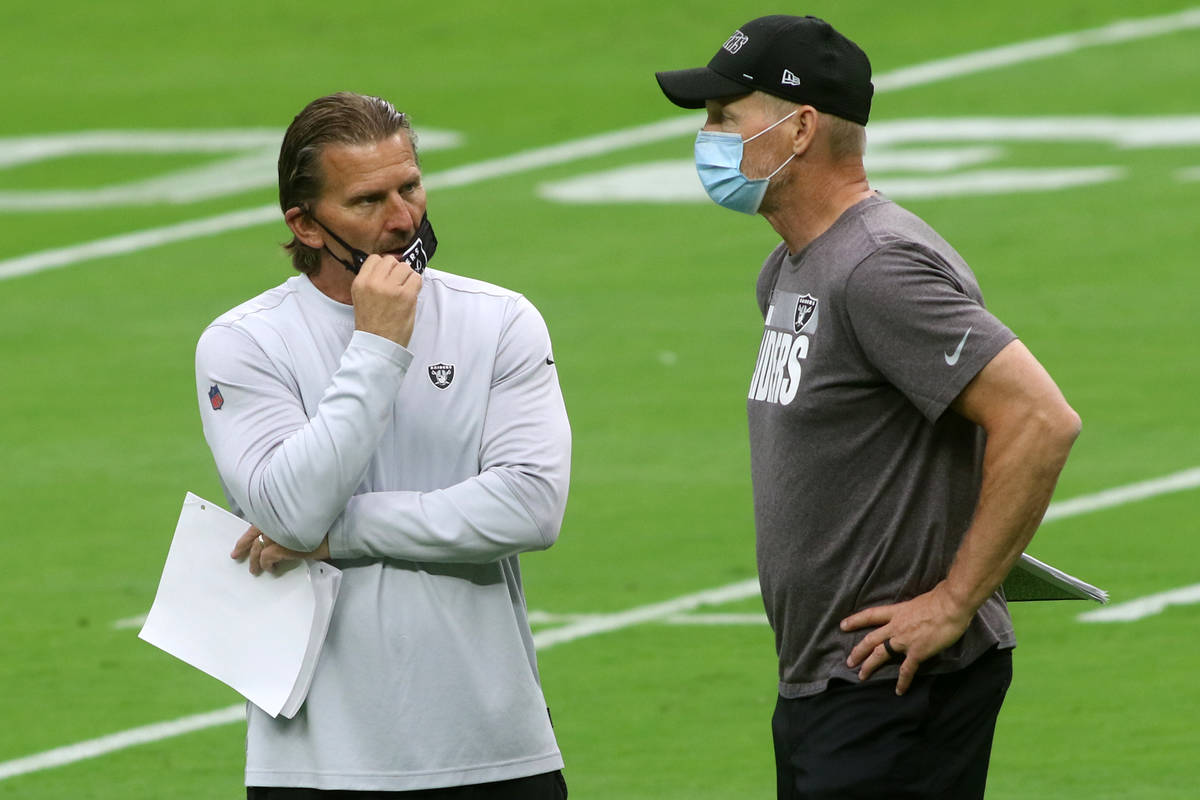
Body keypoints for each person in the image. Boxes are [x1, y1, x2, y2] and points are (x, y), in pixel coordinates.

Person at [656, 15, 1081, 800]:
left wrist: (954, 602)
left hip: (896, 683)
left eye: (725, 115)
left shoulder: (878, 269)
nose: (707, 135)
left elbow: (1041, 419)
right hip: (832, 678)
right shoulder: (789, 269)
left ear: (800, 127)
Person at [194, 92, 571, 799]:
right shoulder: (244, 344)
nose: (403, 219)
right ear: (304, 224)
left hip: (495, 750)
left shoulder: (500, 321)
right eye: (368, 201)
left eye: (411, 186)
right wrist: (376, 346)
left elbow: (531, 507)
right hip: (316, 762)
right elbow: (292, 516)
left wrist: (346, 535)